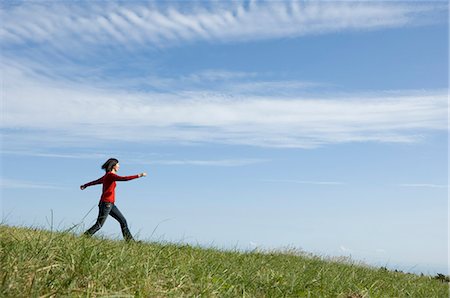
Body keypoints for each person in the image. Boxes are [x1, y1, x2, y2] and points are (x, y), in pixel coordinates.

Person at [80, 158, 146, 241]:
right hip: (106, 204)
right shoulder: (110, 176)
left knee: (123, 221)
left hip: (110, 204)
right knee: (99, 225)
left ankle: (130, 242)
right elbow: (124, 178)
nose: (119, 166)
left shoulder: (107, 176)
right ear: (113, 166)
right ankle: (84, 237)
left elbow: (95, 182)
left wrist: (85, 185)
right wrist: (139, 175)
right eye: (118, 164)